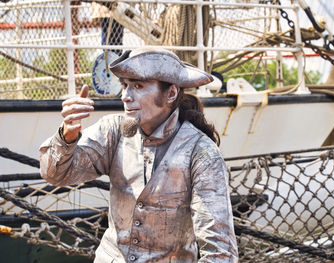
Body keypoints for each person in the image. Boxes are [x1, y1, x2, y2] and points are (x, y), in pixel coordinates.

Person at [39, 48, 239, 262]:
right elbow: (55, 175)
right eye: (124, 85)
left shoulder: (201, 153)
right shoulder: (112, 131)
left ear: (171, 93)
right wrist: (67, 135)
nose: (125, 96)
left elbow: (220, 252)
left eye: (138, 86)